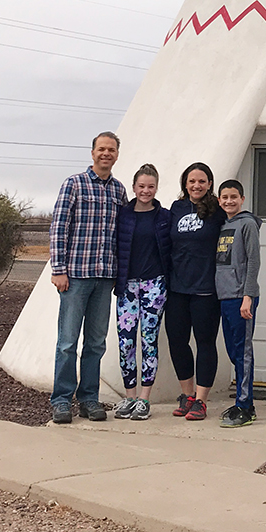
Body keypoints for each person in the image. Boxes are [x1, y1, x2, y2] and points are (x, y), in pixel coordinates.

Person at [49, 131, 126, 424]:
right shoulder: (74, 184)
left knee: (96, 343)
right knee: (67, 342)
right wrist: (59, 269)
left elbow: (122, 235)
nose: (106, 154)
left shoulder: (118, 191)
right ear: (92, 152)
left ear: (117, 155)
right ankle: (61, 400)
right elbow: (59, 227)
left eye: (111, 150)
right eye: (101, 149)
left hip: (105, 277)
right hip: (76, 276)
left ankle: (89, 399)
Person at [164, 161, 226, 421]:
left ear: (209, 183)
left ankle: (201, 400)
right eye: (192, 181)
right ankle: (187, 395)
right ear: (185, 184)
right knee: (177, 342)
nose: (196, 185)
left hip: (205, 289)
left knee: (204, 343)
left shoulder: (217, 211)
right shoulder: (176, 209)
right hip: (177, 287)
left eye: (201, 181)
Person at [112, 164, 171, 421]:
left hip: (154, 285)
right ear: (134, 187)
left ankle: (144, 399)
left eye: (150, 186)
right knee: (126, 342)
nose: (145, 191)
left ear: (156, 188)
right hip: (127, 285)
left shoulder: (164, 216)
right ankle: (130, 396)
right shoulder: (123, 215)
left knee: (149, 340)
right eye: (141, 186)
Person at [215, 179, 261, 428]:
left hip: (241, 297)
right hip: (225, 296)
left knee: (243, 353)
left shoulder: (248, 224)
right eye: (224, 197)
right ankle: (242, 401)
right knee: (233, 351)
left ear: (242, 198)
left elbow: (253, 262)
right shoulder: (224, 225)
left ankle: (246, 407)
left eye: (234, 196)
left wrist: (248, 296)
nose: (229, 201)